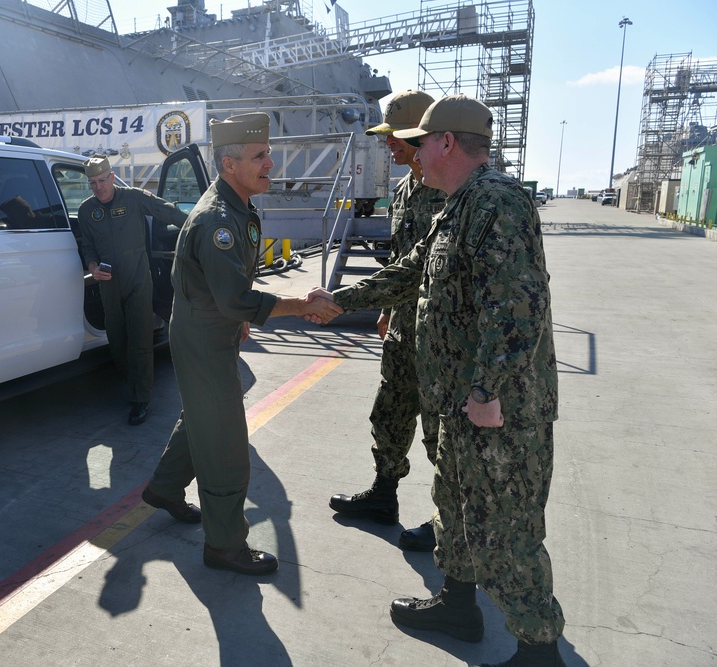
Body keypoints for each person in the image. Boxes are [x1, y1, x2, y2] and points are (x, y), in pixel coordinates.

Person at [320, 95, 567, 666]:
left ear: (447, 143)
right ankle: (458, 604)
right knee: (453, 504)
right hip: (456, 397)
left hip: (497, 408)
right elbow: (412, 272)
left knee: (507, 527)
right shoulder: (457, 206)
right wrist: (339, 300)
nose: (412, 151)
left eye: (422, 140)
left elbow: (519, 309)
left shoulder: (496, 203)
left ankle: (539, 648)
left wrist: (486, 391)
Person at [141, 112, 343, 575]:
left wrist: (242, 318)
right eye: (260, 156)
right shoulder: (219, 220)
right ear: (230, 164)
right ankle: (225, 545)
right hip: (205, 337)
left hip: (215, 328)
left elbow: (229, 288)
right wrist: (301, 305)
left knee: (202, 418)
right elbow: (234, 298)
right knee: (226, 443)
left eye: (267, 153)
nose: (270, 162)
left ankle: (165, 488)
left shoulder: (237, 207)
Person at [327, 90, 446, 553]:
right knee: (391, 412)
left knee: (442, 433)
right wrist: (385, 309)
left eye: (394, 137)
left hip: (441, 335)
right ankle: (383, 494)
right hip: (402, 328)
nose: (388, 146)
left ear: (422, 136)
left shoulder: (453, 190)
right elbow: (399, 260)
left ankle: (446, 522)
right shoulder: (403, 191)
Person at [77, 155, 188, 426]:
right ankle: (135, 380)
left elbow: (169, 212)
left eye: (103, 180)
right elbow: (88, 246)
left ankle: (140, 398)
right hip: (108, 283)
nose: (99, 187)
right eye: (93, 183)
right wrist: (92, 265)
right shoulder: (86, 210)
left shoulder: (135, 198)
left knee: (140, 340)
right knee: (117, 341)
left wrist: (199, 226)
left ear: (112, 177)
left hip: (138, 279)